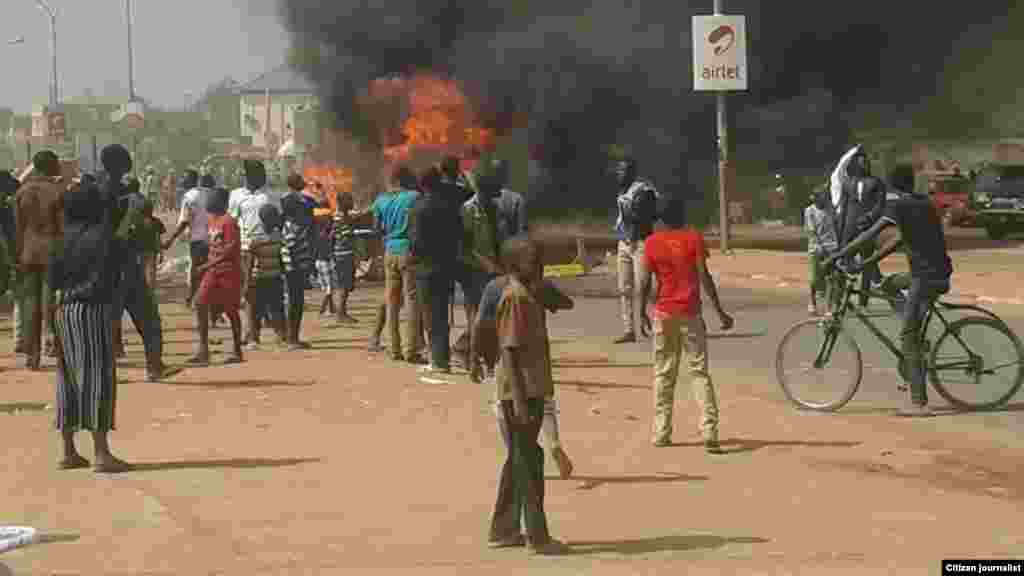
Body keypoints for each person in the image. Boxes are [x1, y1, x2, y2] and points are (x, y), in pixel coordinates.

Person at [824, 164, 953, 417]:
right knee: (888, 284)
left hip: (925, 277)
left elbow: (871, 235)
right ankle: (913, 329)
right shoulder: (922, 203)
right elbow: (900, 240)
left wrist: (838, 255)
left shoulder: (899, 206)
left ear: (893, 185)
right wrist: (868, 263)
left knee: (907, 337)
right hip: (937, 271)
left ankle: (919, 402)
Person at [487, 235, 566, 555]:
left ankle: (503, 529)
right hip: (521, 391)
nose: (540, 266)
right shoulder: (516, 298)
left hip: (530, 387)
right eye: (533, 261)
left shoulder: (530, 294)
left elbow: (564, 303)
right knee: (528, 461)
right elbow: (508, 350)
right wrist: (518, 399)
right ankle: (537, 535)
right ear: (515, 266)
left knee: (520, 458)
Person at [639, 196, 734, 453]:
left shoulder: (651, 243)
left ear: (660, 219)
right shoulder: (694, 238)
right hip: (691, 313)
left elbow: (645, 283)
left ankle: (661, 432)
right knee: (699, 372)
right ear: (681, 215)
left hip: (664, 313)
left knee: (663, 373)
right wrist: (720, 312)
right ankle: (709, 431)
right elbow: (704, 276)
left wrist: (640, 313)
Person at [49, 173, 130, 473]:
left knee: (67, 377)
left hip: (61, 310)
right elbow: (105, 280)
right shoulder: (102, 238)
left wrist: (49, 323)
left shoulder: (60, 239)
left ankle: (69, 451)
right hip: (92, 309)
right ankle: (101, 453)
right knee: (97, 377)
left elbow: (51, 283)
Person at [472, 270, 575, 480]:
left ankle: (515, 454)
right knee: (545, 403)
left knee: (503, 406)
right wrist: (545, 292)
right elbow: (567, 303)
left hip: (506, 357)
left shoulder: (495, 286)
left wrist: (475, 356)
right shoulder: (537, 284)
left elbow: (480, 322)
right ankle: (553, 443)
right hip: (537, 357)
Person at [108, 152, 170, 382]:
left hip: (103, 266)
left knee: (107, 321)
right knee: (149, 318)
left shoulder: (98, 190)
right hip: (125, 262)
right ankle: (154, 366)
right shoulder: (129, 198)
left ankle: (105, 372)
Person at [13, 150, 65, 370]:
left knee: (29, 303)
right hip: (51, 250)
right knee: (49, 302)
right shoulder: (56, 192)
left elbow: (18, 228)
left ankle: (31, 355)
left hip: (28, 250)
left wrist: (18, 255)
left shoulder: (22, 191)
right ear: (50, 167)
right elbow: (62, 227)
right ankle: (52, 345)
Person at [410, 165, 462, 375]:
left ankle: (438, 361)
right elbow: (458, 233)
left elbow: (415, 241)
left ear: (422, 184)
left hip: (425, 268)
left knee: (431, 316)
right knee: (441, 314)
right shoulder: (449, 205)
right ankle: (443, 358)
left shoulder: (418, 207)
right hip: (446, 266)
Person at [454, 160, 503, 368]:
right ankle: (467, 353)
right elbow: (464, 246)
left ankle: (470, 350)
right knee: (476, 315)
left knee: (490, 316)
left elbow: (497, 239)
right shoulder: (467, 210)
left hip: (491, 269)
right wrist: (485, 264)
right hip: (472, 270)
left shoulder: (493, 207)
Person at [370, 165, 422, 361]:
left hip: (389, 251)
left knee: (392, 302)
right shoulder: (414, 197)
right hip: (408, 252)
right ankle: (411, 350)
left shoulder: (381, 200)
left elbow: (376, 229)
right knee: (411, 301)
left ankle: (394, 349)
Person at [189, 187, 243, 365]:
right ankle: (203, 349)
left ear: (222, 202)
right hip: (213, 271)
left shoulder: (229, 222)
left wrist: (206, 265)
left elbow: (230, 249)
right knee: (200, 302)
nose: (208, 202)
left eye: (212, 199)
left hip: (228, 271)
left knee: (231, 310)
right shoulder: (211, 220)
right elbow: (212, 244)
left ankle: (237, 350)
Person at [831, 145, 886, 307]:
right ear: (856, 164)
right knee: (843, 259)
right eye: (862, 162)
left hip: (867, 227)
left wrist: (870, 217)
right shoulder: (848, 183)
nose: (865, 165)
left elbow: (880, 205)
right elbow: (844, 206)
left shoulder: (877, 183)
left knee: (867, 262)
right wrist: (841, 229)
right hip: (849, 226)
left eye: (867, 163)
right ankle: (839, 297)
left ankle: (863, 299)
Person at [612, 156, 659, 344]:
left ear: (632, 172)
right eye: (618, 170)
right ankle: (628, 329)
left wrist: (637, 215)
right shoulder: (622, 189)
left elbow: (651, 215)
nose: (618, 173)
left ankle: (653, 323)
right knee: (624, 288)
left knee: (643, 286)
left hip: (640, 243)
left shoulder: (644, 190)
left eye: (622, 170)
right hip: (624, 243)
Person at [231, 161, 272, 345]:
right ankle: (250, 333)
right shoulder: (236, 195)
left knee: (266, 289)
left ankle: (262, 328)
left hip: (267, 247)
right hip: (246, 249)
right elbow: (233, 221)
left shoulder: (268, 196)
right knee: (248, 291)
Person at [162, 171, 209, 306]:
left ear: (190, 180)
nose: (182, 180)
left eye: (184, 178)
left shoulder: (189, 197)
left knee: (196, 270)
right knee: (206, 270)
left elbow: (185, 221)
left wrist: (170, 239)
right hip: (210, 238)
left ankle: (193, 298)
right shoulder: (206, 193)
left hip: (198, 240)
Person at [243, 204, 286, 349]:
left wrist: (247, 282)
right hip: (273, 277)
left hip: (260, 278)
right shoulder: (278, 236)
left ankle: (254, 339)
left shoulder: (255, 237)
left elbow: (249, 262)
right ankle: (280, 336)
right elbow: (281, 258)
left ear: (261, 220)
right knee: (276, 308)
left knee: (257, 310)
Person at [280, 192, 316, 349]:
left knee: (295, 303)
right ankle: (292, 338)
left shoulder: (288, 226)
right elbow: (290, 248)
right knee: (295, 304)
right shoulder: (293, 228)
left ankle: (292, 337)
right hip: (293, 271)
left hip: (292, 270)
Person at [804, 188, 838, 316]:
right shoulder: (810, 211)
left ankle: (829, 308)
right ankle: (812, 302)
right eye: (821, 197)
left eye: (825, 197)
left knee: (831, 279)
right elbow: (812, 232)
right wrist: (821, 246)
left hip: (832, 248)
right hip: (816, 249)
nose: (824, 199)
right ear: (815, 198)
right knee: (814, 278)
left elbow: (836, 226)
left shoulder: (831, 209)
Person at [330, 191, 360, 325]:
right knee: (344, 285)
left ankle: (342, 312)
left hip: (343, 254)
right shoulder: (341, 218)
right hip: (344, 255)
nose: (353, 203)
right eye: (350, 201)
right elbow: (346, 236)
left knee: (345, 285)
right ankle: (340, 314)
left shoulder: (341, 216)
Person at [139, 194, 165, 290]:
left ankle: (142, 289)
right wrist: (161, 253)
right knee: (152, 272)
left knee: (141, 271)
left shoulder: (137, 222)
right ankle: (150, 290)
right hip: (152, 251)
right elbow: (158, 239)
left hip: (140, 250)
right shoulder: (156, 222)